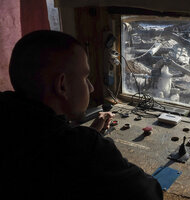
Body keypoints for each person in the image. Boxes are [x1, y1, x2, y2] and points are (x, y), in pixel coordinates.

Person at [0, 30, 163, 200]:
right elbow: (149, 193)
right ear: (62, 86)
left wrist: (85, 135)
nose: (91, 88)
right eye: (85, 78)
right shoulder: (83, 148)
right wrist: (91, 143)